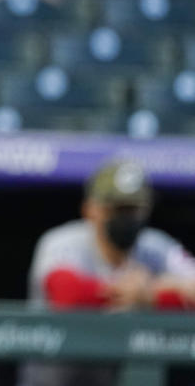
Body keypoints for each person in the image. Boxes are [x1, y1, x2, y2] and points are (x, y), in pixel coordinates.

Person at [19, 159, 195, 386]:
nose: (126, 218)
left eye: (133, 209)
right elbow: (67, 295)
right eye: (116, 208)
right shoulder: (62, 242)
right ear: (90, 209)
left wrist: (149, 295)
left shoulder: (155, 247)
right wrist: (144, 292)